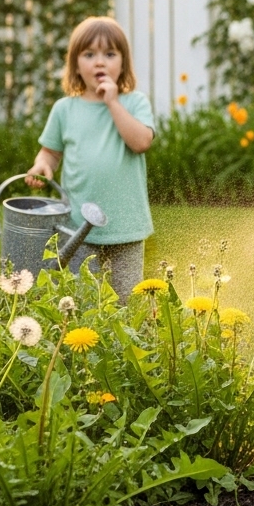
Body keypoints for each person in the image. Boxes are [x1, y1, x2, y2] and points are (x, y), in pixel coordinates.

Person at [27, 16, 154, 301]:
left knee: (126, 301)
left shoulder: (134, 103)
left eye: (110, 54)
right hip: (76, 227)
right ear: (75, 64)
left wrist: (112, 102)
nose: (100, 62)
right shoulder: (65, 110)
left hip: (126, 226)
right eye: (89, 54)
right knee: (81, 299)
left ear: (123, 63)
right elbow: (50, 152)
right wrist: (43, 165)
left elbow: (141, 142)